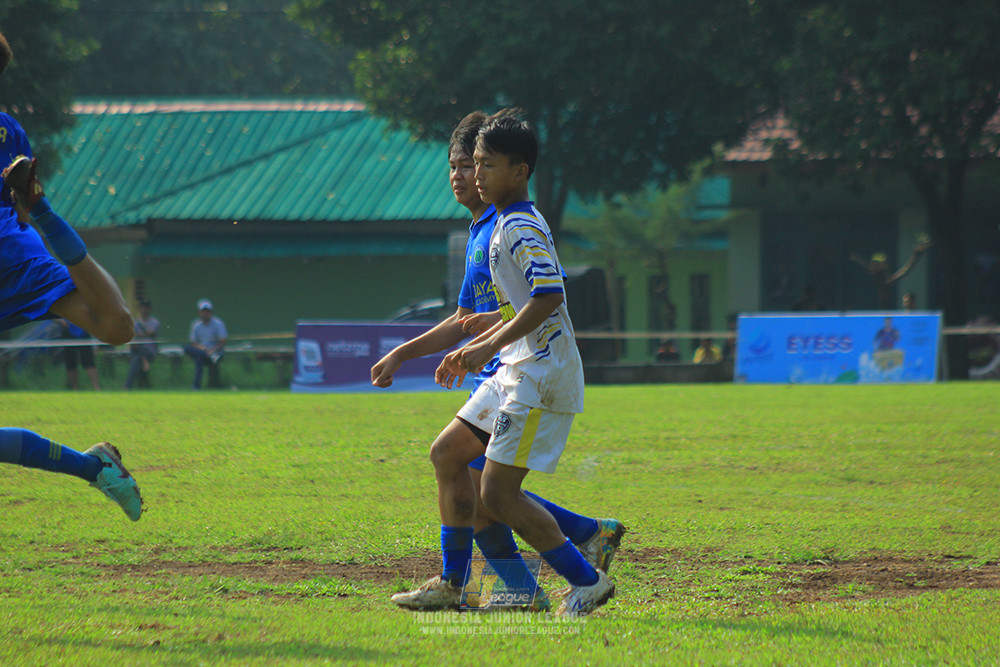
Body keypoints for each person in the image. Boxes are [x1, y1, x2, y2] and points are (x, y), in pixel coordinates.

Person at [372, 112, 625, 612]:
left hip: (538, 372)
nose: (474, 174)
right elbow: (517, 300)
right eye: (471, 164)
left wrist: (486, 345)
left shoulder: (517, 225)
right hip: (515, 367)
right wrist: (477, 334)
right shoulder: (498, 226)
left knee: (496, 495)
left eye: (484, 165)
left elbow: (550, 294)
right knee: (449, 455)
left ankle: (582, 576)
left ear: (520, 172)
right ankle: (468, 583)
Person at [0, 32, 141, 520]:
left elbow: (119, 329)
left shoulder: (8, 133)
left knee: (117, 328)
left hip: (14, 259)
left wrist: (36, 208)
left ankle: (94, 469)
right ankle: (94, 468)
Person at [849, 235, 932, 310]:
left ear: (886, 266)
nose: (874, 265)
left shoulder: (887, 281)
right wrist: (857, 259)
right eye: (874, 263)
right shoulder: (875, 276)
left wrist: (916, 254)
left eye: (878, 263)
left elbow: (906, 269)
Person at [184, 299, 227, 389]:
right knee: (187, 348)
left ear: (211, 312)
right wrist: (203, 349)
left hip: (215, 352)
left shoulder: (218, 324)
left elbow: (223, 341)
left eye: (207, 311)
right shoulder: (196, 325)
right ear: (199, 312)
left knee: (198, 360)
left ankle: (196, 386)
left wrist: (213, 350)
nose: (205, 314)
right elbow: (193, 342)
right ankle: (198, 386)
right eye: (203, 311)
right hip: (202, 351)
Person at [124, 300, 159, 389]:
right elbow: (131, 337)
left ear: (150, 309)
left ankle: (127, 386)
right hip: (137, 350)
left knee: (136, 360)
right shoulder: (135, 323)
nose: (144, 310)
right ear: (139, 309)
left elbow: (152, 333)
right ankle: (144, 383)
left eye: (146, 308)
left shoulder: (155, 322)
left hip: (149, 351)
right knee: (137, 357)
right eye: (143, 307)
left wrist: (138, 335)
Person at [59, 319, 100, 390]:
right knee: (70, 363)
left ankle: (97, 388)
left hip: (83, 332)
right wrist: (61, 321)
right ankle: (75, 389)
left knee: (89, 362)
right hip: (67, 332)